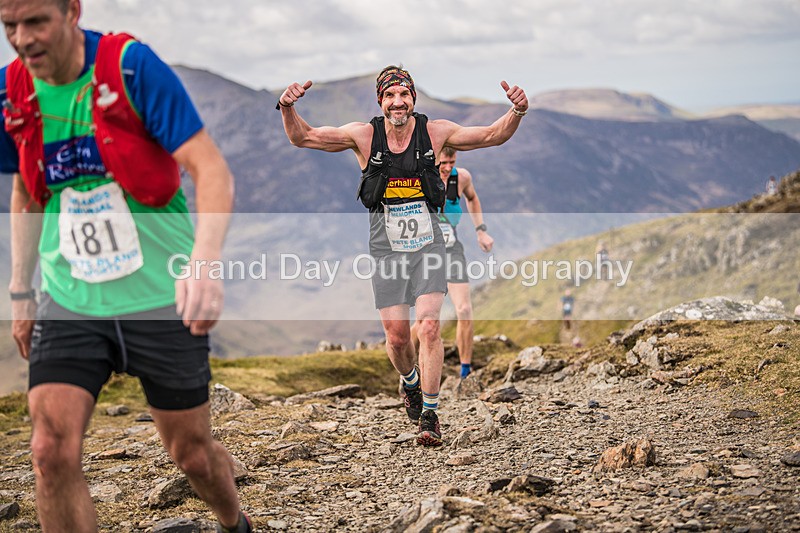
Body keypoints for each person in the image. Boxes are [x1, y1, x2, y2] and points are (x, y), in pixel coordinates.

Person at [1, 1, 250, 531]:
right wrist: (21, 291)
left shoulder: (132, 69)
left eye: (35, 22)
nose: (22, 39)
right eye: (8, 26)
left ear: (72, 11)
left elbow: (211, 169)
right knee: (49, 450)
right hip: (70, 297)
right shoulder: (14, 92)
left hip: (162, 296)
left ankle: (234, 523)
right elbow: (26, 189)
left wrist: (203, 263)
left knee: (193, 455)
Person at [277, 66, 527, 446]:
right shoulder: (363, 136)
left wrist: (517, 112)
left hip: (429, 244)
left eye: (404, 95)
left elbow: (492, 135)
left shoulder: (435, 132)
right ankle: (409, 382)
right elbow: (304, 137)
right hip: (386, 247)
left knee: (428, 326)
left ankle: (430, 414)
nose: (398, 102)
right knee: (396, 339)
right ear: (381, 101)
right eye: (390, 96)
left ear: (413, 98)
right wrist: (286, 107)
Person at [413, 147, 493, 380]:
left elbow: (473, 198)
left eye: (452, 162)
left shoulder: (462, 178)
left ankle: (465, 371)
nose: (447, 168)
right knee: (425, 319)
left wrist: (481, 231)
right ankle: (406, 366)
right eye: (443, 163)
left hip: (452, 249)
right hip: (424, 252)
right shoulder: (421, 178)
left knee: (465, 309)